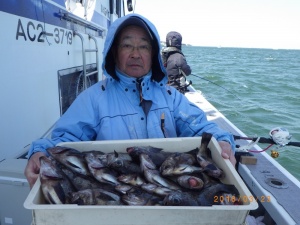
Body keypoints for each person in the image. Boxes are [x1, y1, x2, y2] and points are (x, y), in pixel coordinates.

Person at [24, 13, 236, 189]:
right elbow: (62, 141)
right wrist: (40, 152)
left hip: (167, 189)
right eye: (127, 46)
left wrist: (223, 142)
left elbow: (201, 128)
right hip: (115, 191)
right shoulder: (93, 98)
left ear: (153, 54)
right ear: (114, 53)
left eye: (143, 47)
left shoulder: (170, 97)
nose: (136, 54)